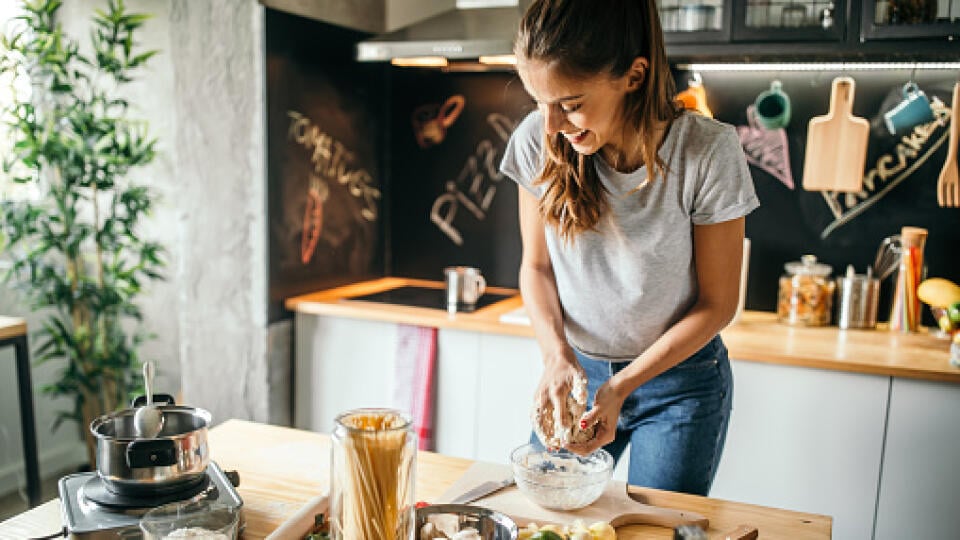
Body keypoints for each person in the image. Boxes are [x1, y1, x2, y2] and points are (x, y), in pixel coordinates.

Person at [499, 0, 760, 496]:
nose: (551, 124)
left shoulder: (706, 152)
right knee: (547, 512)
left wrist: (621, 387)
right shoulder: (538, 140)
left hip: (680, 386)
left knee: (653, 528)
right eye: (539, 102)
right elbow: (535, 267)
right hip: (577, 372)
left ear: (634, 76)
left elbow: (718, 304)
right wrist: (556, 356)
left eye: (570, 103)